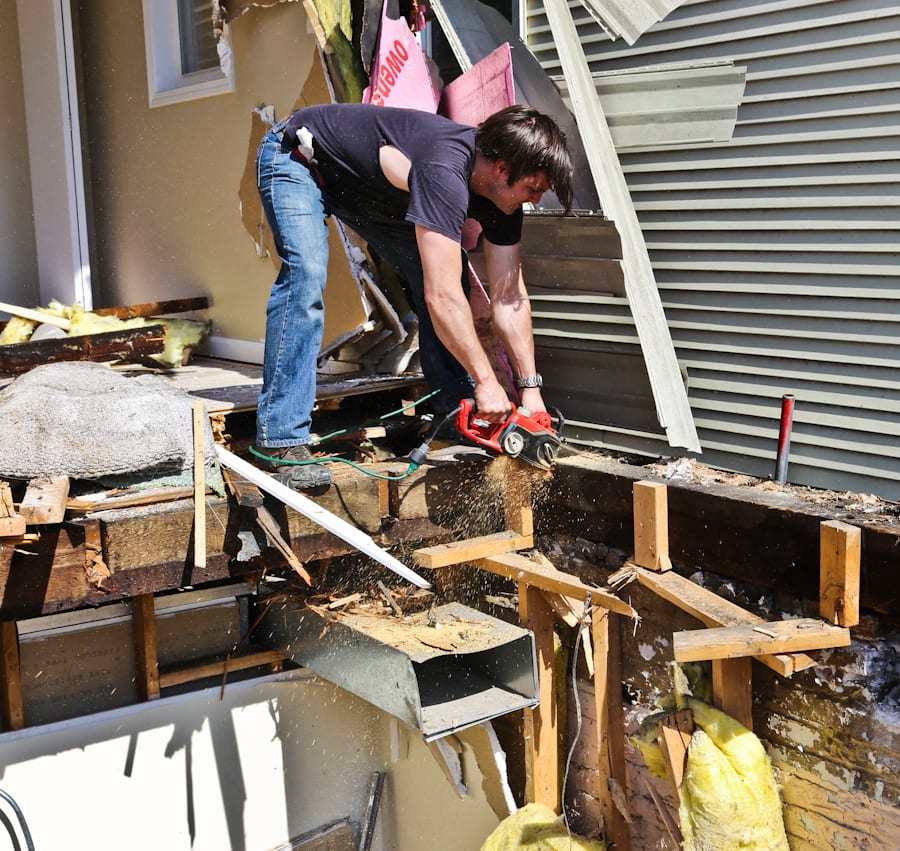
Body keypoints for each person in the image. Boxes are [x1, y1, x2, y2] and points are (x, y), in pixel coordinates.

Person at [254, 102, 574, 489]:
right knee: (305, 274)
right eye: (533, 189)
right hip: (301, 159)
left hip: (369, 193)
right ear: (501, 169)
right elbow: (442, 298)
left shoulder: (502, 201)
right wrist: (487, 381)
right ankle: (281, 438)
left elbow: (508, 296)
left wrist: (530, 389)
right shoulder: (444, 168)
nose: (535, 200)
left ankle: (455, 413)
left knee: (445, 269)